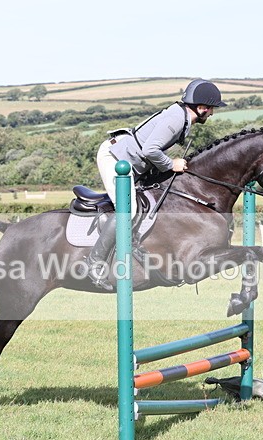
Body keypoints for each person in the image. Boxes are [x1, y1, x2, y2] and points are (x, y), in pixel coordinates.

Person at [86, 79, 227, 289]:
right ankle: (94, 263)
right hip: (115, 158)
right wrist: (172, 164)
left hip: (131, 162)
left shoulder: (180, 116)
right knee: (130, 209)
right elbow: (150, 150)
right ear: (201, 107)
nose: (212, 113)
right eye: (211, 109)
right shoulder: (177, 119)